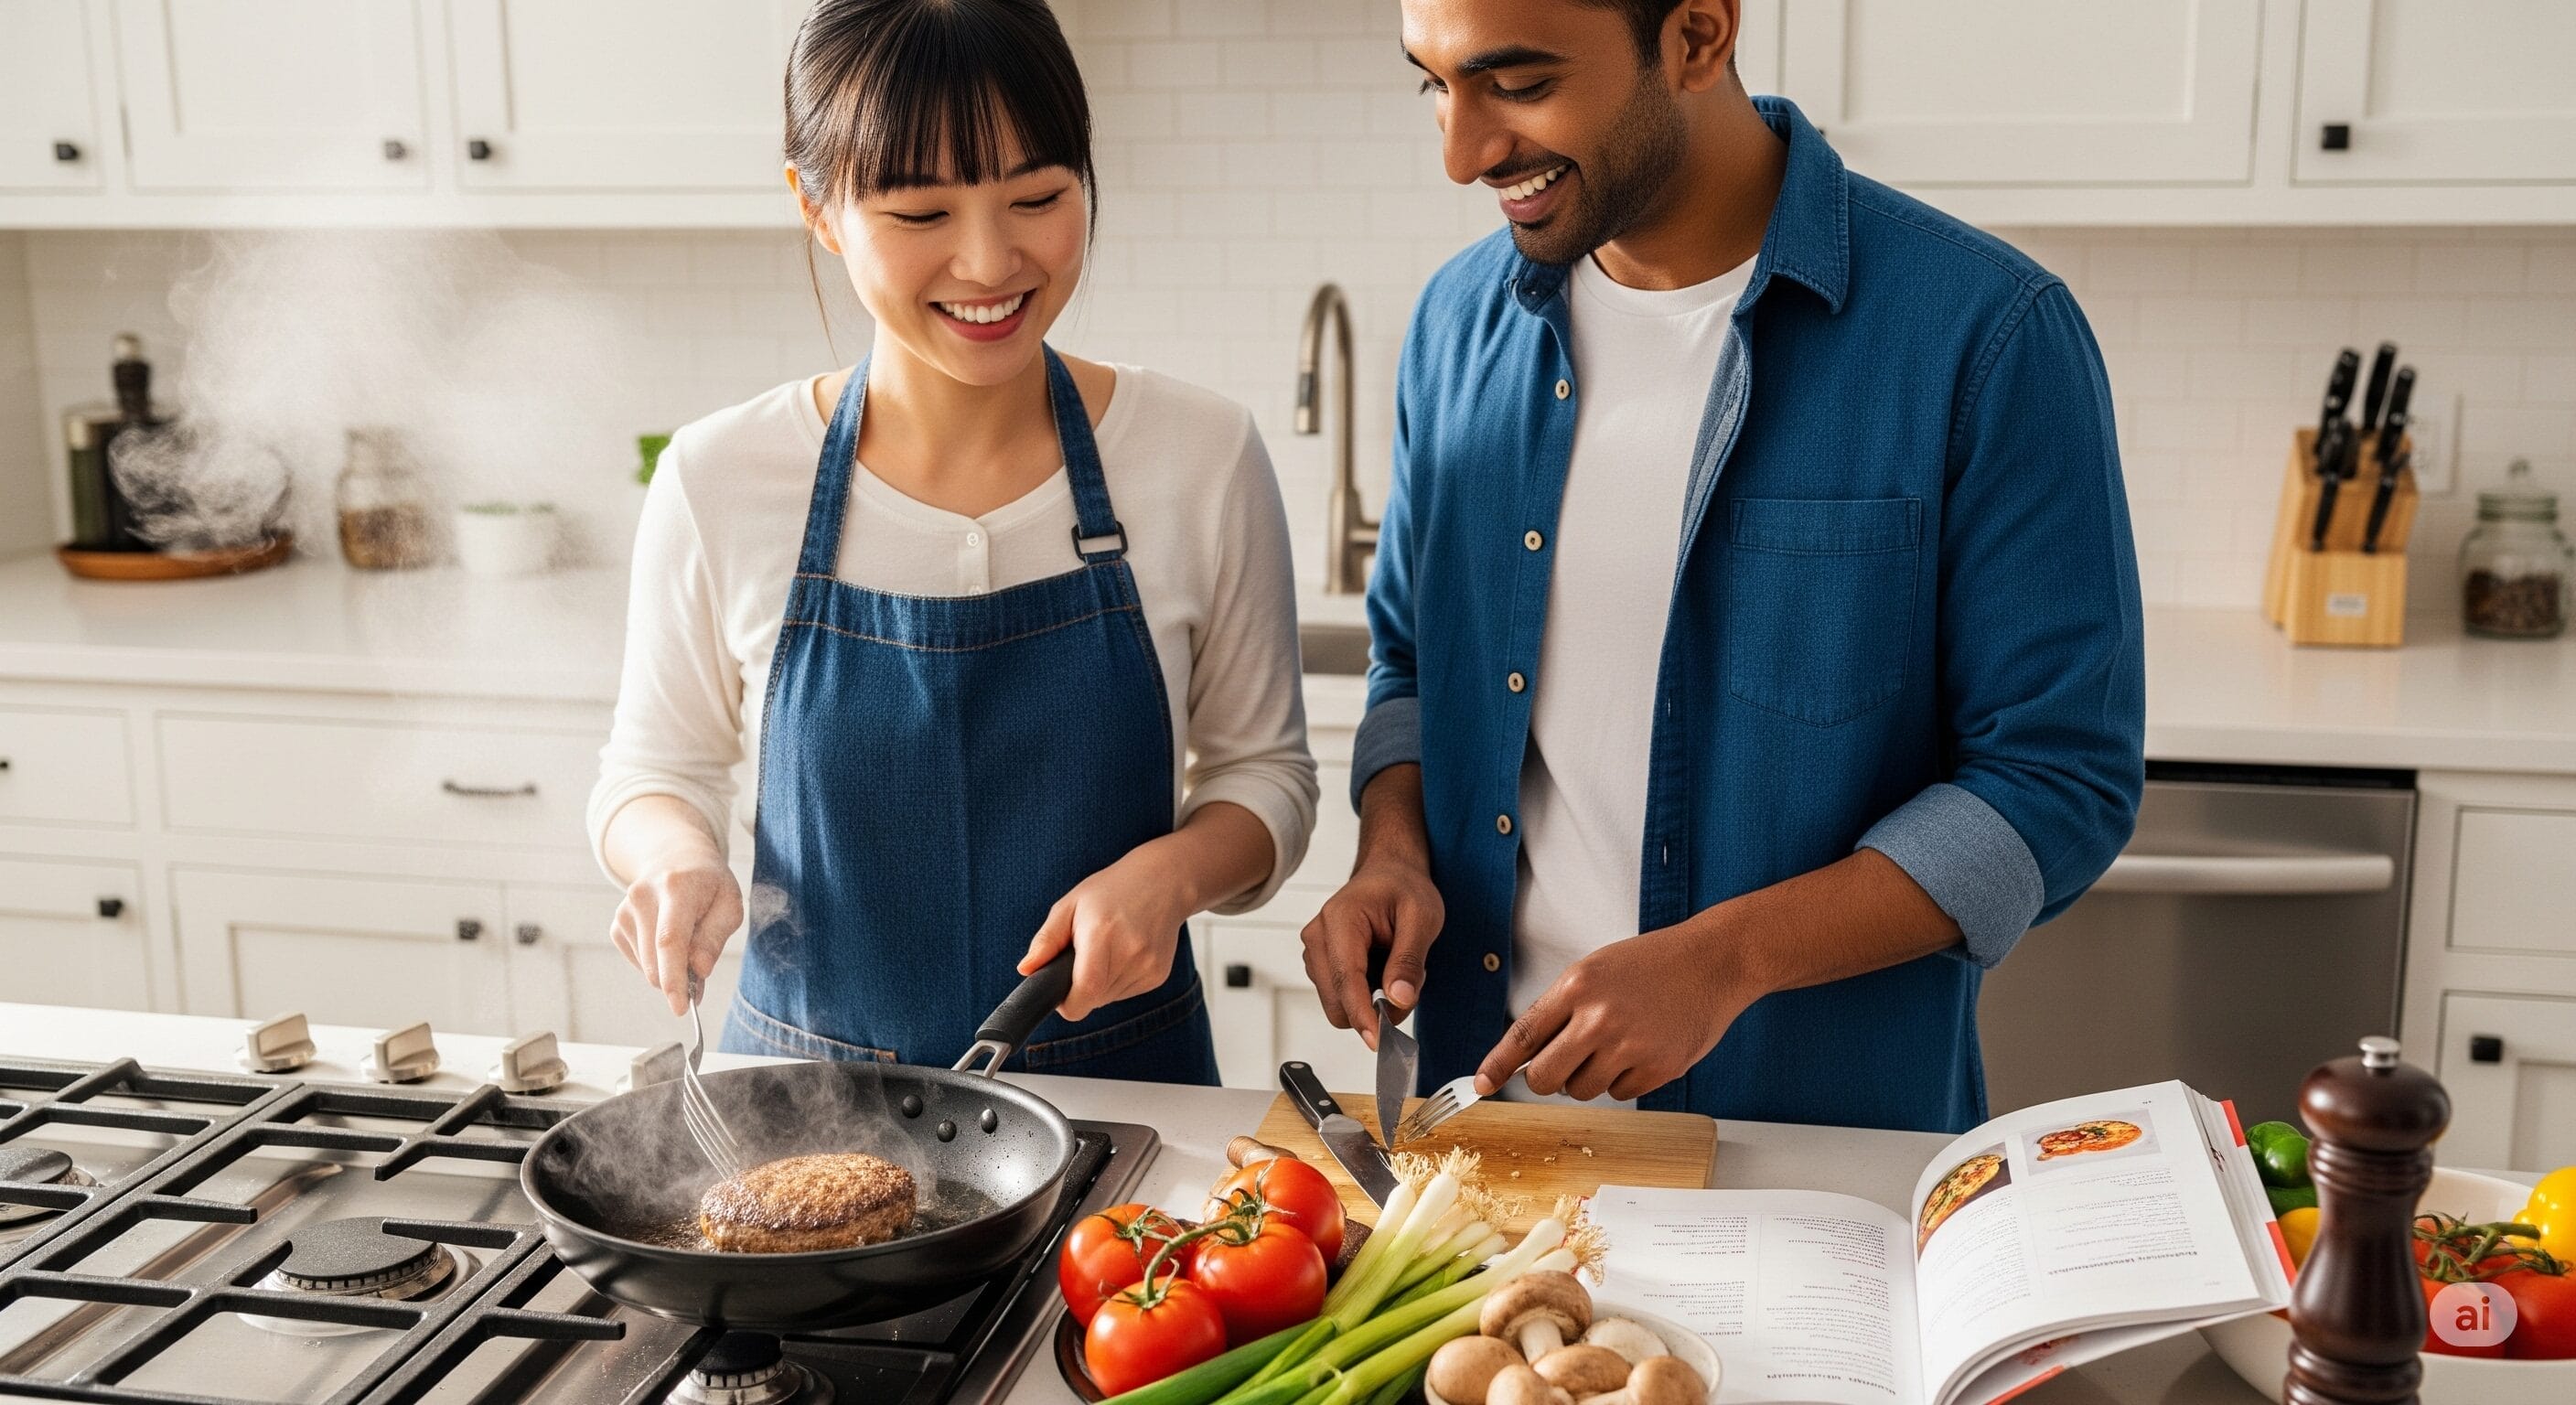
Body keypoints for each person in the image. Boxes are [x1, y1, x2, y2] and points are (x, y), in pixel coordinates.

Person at [1302, 0, 2144, 1132]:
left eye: (1517, 83)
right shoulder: (1457, 325)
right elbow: (1408, 665)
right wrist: (1391, 853)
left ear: (1696, 36)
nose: (1461, 153)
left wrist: (1722, 962)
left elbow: (2054, 786)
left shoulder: (1985, 338)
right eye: (1434, 86)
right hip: (1482, 1123)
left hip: (1810, 1142)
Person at [590, 0, 1316, 1079]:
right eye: (921, 215)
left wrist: (1172, 875)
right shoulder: (718, 476)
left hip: (1126, 1109)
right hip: (802, 1106)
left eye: (1036, 198)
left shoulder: (1198, 454)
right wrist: (675, 858)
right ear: (818, 207)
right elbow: (653, 769)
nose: (988, 262)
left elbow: (1266, 776)